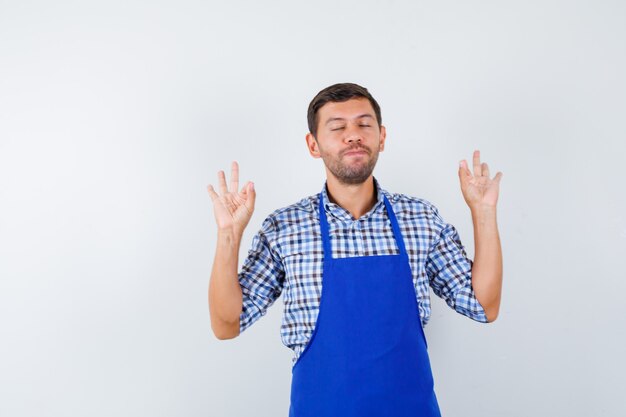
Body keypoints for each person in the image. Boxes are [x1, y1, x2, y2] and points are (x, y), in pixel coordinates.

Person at [207, 83, 503, 416]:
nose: (353, 135)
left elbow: (483, 305)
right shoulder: (284, 228)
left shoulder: (421, 218)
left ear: (382, 137)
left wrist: (484, 213)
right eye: (338, 127)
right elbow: (226, 324)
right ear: (313, 144)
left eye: (364, 124)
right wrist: (228, 235)